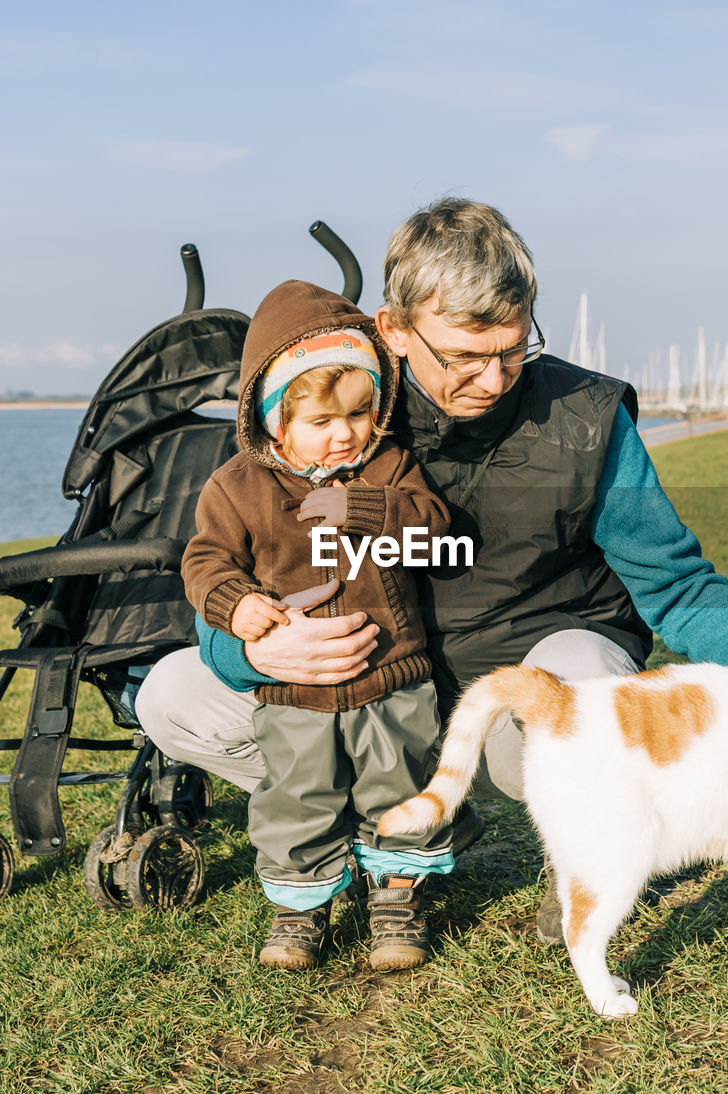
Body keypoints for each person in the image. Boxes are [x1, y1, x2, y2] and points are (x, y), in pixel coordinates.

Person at [138, 198, 728, 949]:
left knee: (582, 673)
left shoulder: (585, 416)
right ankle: (370, 826)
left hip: (521, 693)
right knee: (174, 693)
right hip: (374, 695)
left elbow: (677, 586)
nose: (494, 379)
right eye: (464, 357)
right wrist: (253, 650)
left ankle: (582, 849)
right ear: (393, 330)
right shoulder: (327, 409)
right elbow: (231, 570)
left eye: (514, 349)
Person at [179, 278, 455, 972]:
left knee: (399, 783)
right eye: (323, 421)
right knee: (296, 794)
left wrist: (364, 509)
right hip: (293, 693)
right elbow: (205, 561)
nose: (345, 433)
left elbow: (437, 532)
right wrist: (236, 606)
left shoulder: (389, 469)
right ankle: (301, 905)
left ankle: (397, 896)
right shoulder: (238, 488)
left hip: (390, 674)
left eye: (360, 414)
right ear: (275, 419)